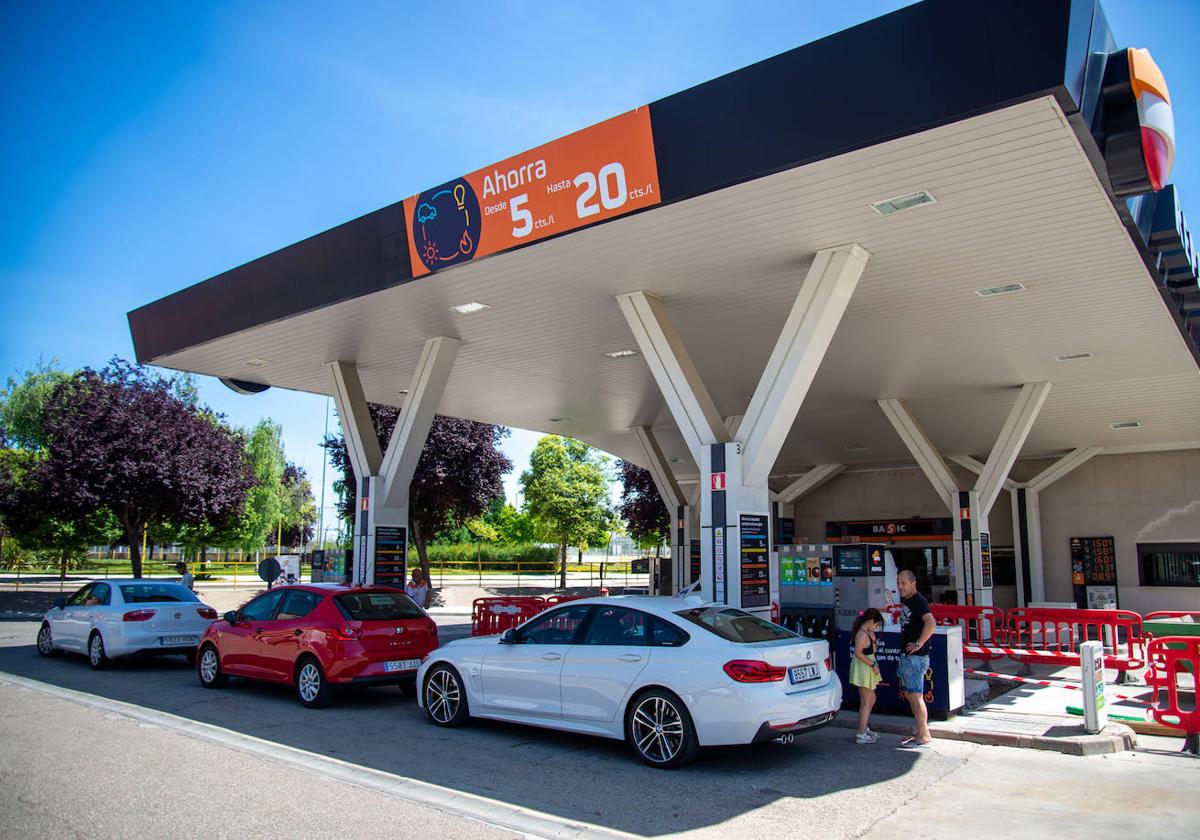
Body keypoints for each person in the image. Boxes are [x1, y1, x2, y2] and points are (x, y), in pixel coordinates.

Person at [896, 569, 936, 747]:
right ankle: (921, 731)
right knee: (911, 695)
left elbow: (931, 622)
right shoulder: (907, 602)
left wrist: (919, 643)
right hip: (909, 656)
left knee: (915, 695)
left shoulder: (919, 601)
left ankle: (924, 734)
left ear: (913, 584)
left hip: (916, 657)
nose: (900, 587)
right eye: (898, 583)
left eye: (904, 583)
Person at [849, 607, 886, 744]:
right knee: (866, 701)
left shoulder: (867, 633)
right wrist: (872, 664)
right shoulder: (862, 634)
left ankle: (864, 727)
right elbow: (858, 653)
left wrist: (873, 638)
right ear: (870, 621)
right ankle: (861, 733)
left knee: (871, 699)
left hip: (867, 666)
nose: (876, 627)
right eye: (876, 624)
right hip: (864, 668)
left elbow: (872, 650)